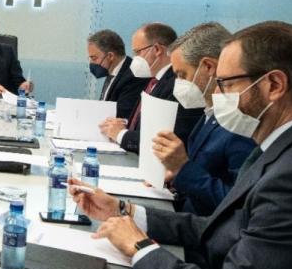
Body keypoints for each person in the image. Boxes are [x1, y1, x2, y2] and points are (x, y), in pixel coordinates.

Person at [72, 20, 292, 269]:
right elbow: (218, 226)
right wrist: (125, 210)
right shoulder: (281, 149)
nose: (217, 94)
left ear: (273, 85)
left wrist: (141, 249)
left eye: (226, 84)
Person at [152, 22, 255, 215]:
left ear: (208, 67)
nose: (178, 83)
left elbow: (236, 202)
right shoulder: (210, 112)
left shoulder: (238, 121)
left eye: (182, 75)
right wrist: (175, 177)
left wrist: (182, 167)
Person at [99, 23, 204, 153]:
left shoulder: (177, 85)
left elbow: (165, 137)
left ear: (157, 49)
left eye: (138, 52)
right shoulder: (154, 80)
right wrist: (124, 124)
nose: (135, 58)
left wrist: (121, 134)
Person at [87, 29, 150, 120]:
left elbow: (122, 114)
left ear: (110, 56)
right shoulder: (111, 71)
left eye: (94, 58)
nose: (91, 62)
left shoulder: (134, 75)